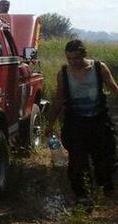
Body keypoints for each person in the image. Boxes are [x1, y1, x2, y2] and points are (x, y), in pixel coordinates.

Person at [46, 40, 118, 203]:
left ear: (84, 54)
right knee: (78, 162)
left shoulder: (99, 68)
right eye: (69, 59)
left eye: (76, 58)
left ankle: (106, 191)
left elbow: (114, 88)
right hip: (76, 123)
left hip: (99, 121)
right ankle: (83, 198)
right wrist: (50, 123)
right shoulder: (63, 74)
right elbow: (58, 99)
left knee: (105, 159)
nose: (73, 62)